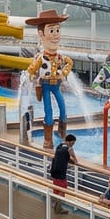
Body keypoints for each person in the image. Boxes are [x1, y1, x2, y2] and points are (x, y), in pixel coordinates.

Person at [25, 9, 74, 150]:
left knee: (63, 108)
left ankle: (62, 131)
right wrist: (33, 78)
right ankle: (48, 139)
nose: (56, 35)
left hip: (56, 85)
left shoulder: (60, 57)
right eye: (52, 31)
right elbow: (31, 70)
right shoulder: (40, 58)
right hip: (45, 86)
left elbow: (70, 62)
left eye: (58, 30)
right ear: (41, 34)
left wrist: (64, 73)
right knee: (48, 111)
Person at [47, 134, 77, 213]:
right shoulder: (67, 150)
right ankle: (58, 208)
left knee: (56, 189)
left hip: (54, 172)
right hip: (60, 174)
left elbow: (60, 158)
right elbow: (75, 162)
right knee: (62, 190)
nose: (72, 145)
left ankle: (56, 204)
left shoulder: (60, 146)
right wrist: (73, 154)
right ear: (68, 142)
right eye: (72, 143)